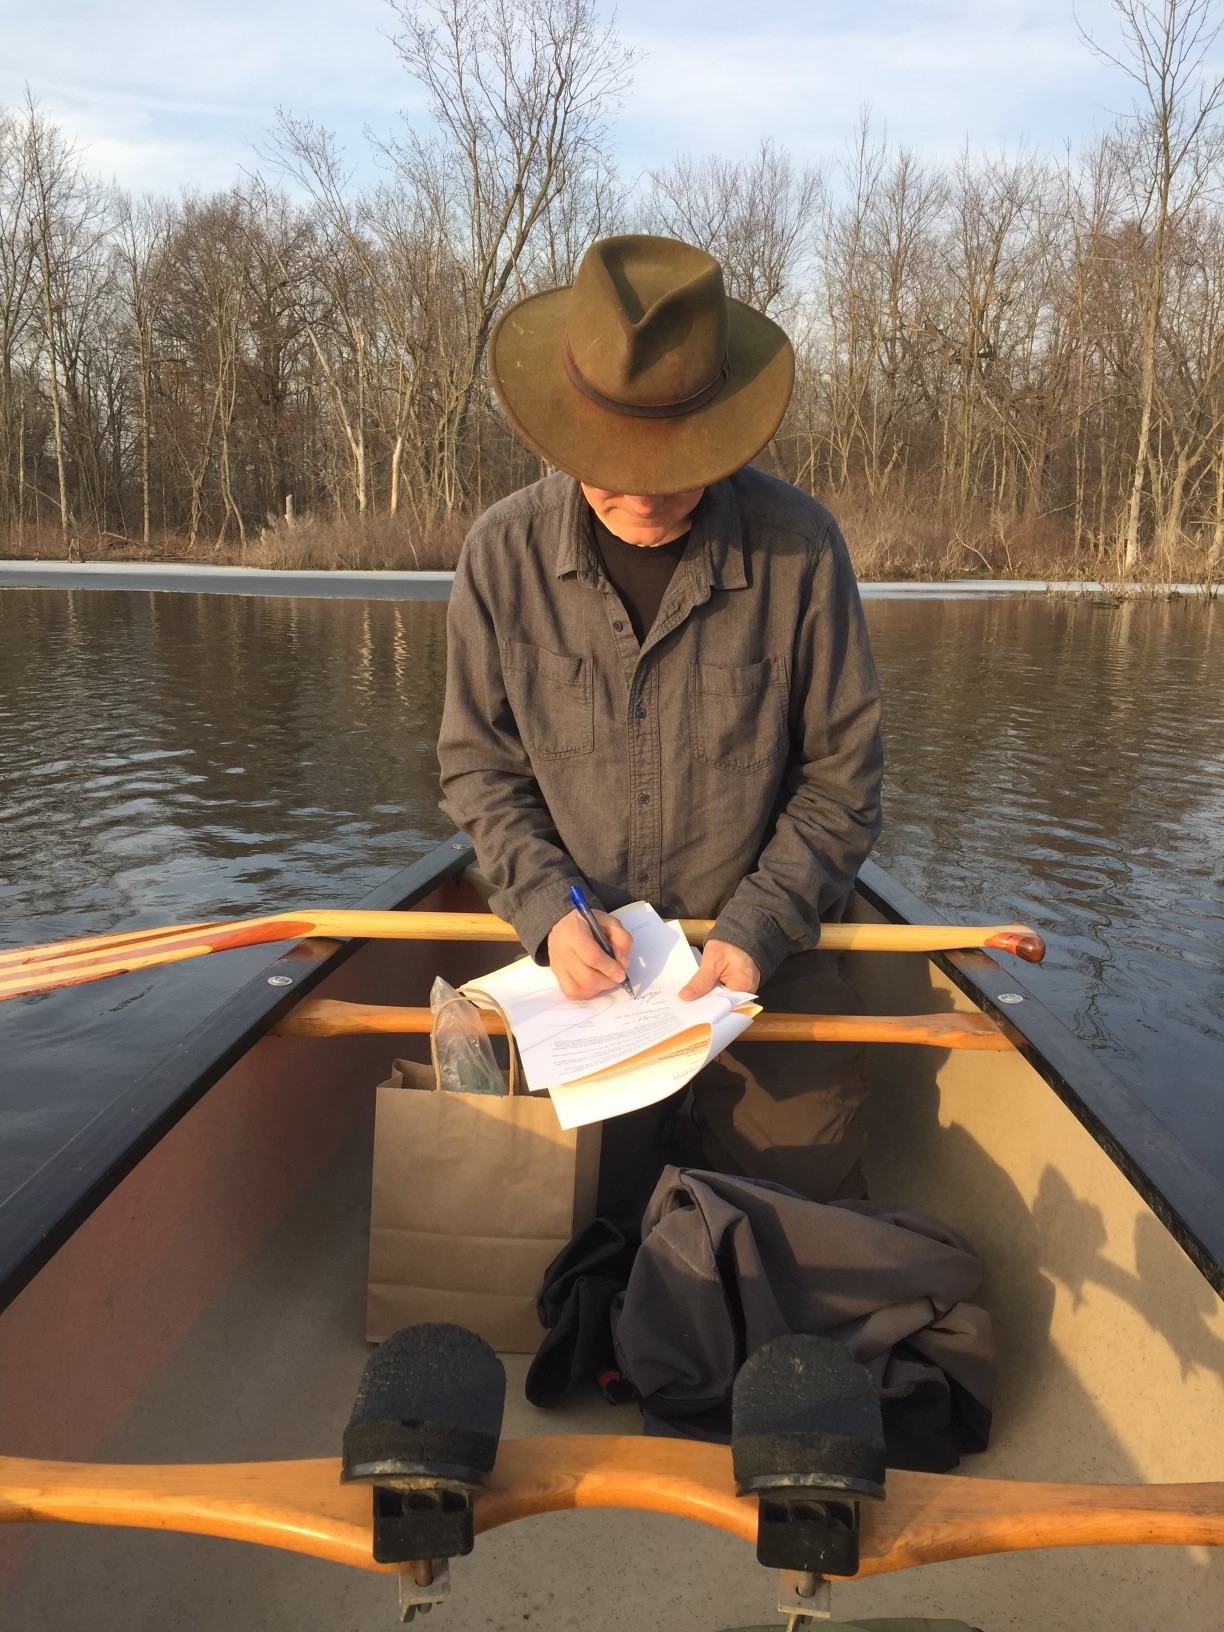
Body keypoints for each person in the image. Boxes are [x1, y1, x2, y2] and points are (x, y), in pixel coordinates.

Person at [437, 233, 883, 1213]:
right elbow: (477, 768)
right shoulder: (499, 556)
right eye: (610, 459)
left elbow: (844, 778)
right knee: (547, 1222)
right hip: (573, 967)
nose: (641, 488)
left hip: (755, 960)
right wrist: (550, 913)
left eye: (673, 460)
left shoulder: (802, 552)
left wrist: (760, 927)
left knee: (803, 1217)